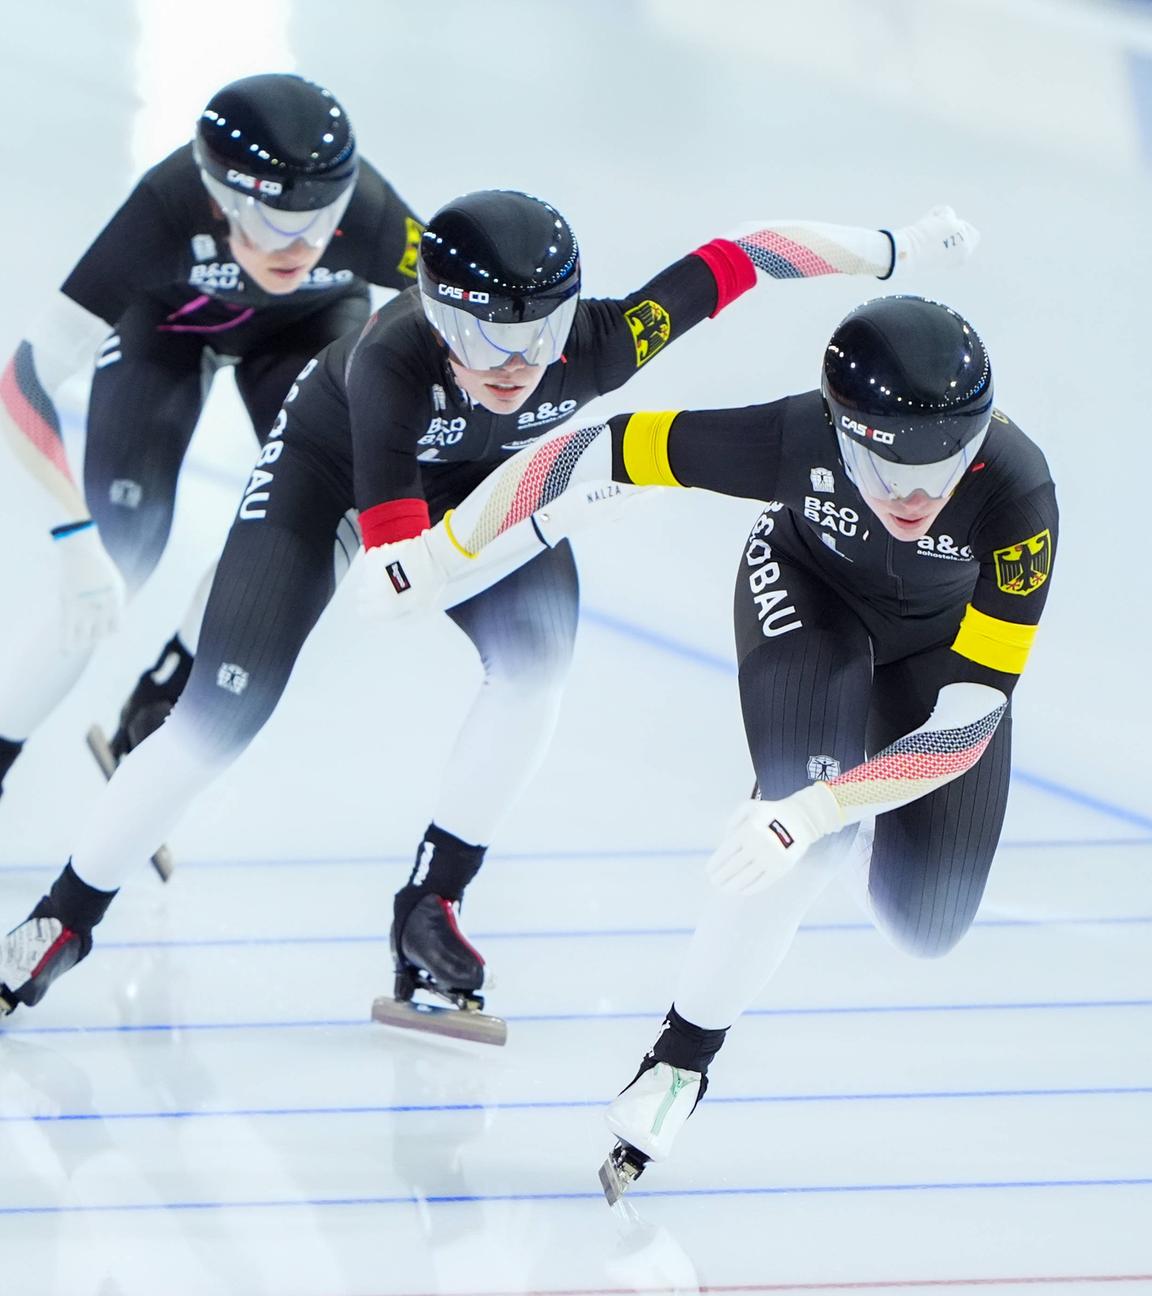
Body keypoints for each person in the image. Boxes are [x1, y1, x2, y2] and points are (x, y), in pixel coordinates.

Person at [0, 193, 978, 1041]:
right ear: (433, 313)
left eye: (538, 339)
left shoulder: (602, 340)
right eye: (480, 339)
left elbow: (748, 256)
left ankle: (433, 901)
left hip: (489, 495)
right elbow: (398, 587)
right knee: (220, 720)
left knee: (538, 666)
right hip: (332, 478)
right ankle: (66, 915)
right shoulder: (393, 361)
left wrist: (890, 248)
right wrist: (561, 503)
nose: (512, 366)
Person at [349, 292, 1055, 1190]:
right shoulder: (793, 439)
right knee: (799, 843)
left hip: (940, 657)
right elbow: (592, 449)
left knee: (924, 926)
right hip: (813, 602)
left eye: (944, 462)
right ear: (841, 433)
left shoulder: (1018, 491)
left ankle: (853, 792)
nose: (914, 493)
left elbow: (965, 724)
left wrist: (828, 802)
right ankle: (678, 1062)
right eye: (886, 469)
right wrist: (449, 549)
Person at [0, 72, 424, 826]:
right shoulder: (165, 206)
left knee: (321, 525)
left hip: (308, 329)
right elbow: (24, 379)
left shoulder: (373, 214)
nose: (303, 245)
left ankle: (166, 686)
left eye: (325, 221)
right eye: (274, 226)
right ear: (220, 200)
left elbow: (461, 327)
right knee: (114, 566)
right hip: (168, 328)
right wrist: (72, 538)